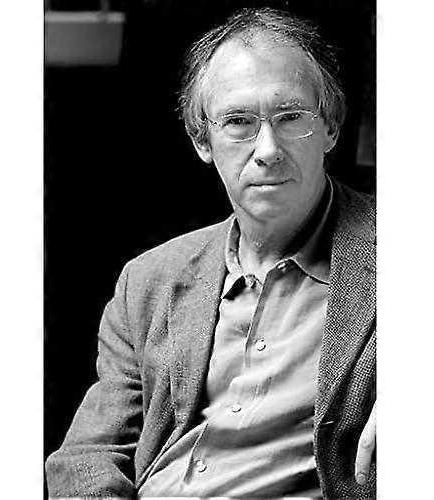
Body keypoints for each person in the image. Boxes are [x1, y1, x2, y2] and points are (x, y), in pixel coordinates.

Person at [46, 7, 376, 499]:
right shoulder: (149, 280)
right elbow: (87, 457)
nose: (268, 149)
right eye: (239, 122)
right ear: (203, 141)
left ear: (330, 127)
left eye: (291, 117)